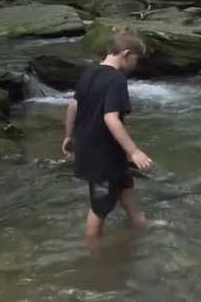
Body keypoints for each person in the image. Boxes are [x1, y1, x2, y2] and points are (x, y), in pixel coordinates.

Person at [62, 32, 153, 247]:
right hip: (100, 153)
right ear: (126, 54)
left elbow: (73, 106)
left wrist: (68, 136)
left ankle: (138, 222)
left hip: (96, 147)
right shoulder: (116, 79)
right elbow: (111, 118)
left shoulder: (89, 72)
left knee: (124, 184)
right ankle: (93, 247)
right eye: (136, 60)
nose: (135, 65)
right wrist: (134, 151)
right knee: (101, 204)